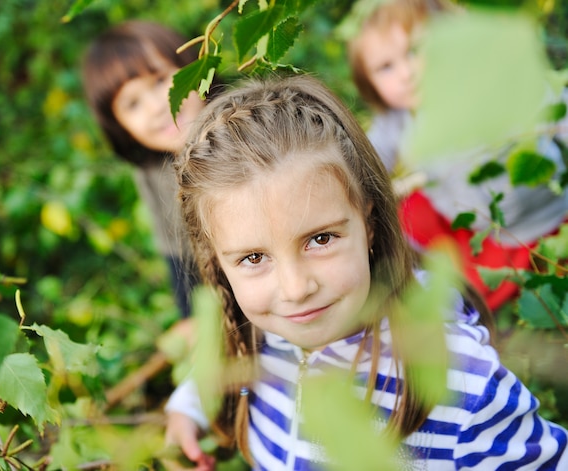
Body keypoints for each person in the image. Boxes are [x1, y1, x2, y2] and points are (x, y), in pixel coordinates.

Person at [163, 74, 568, 470]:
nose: (296, 288)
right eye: (253, 258)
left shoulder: (464, 383)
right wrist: (186, 410)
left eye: (320, 239)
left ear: (369, 222)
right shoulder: (260, 334)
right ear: (217, 260)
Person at [342, 0, 568, 311]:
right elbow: (366, 159)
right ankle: (435, 281)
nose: (406, 73)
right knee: (407, 213)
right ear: (370, 82)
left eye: (415, 51)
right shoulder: (398, 121)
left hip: (547, 214)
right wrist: (345, 185)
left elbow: (555, 106)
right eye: (386, 67)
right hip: (483, 232)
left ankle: (537, 270)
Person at [82, 20, 221, 318]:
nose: (157, 108)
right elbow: (179, 259)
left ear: (191, 65)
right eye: (132, 104)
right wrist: (192, 321)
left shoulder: (252, 127)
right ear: (120, 127)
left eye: (159, 81)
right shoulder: (153, 173)